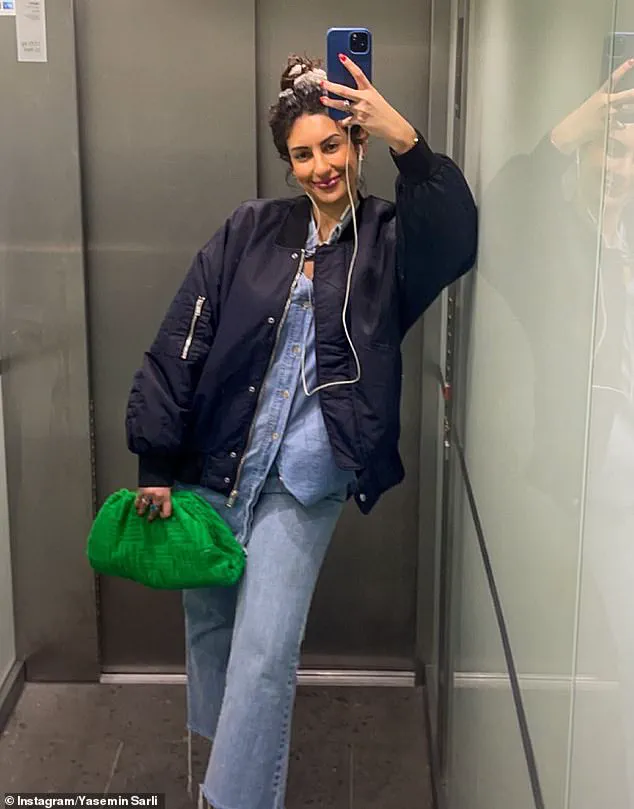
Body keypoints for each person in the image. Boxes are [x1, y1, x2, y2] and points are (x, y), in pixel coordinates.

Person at [125, 52, 477, 809]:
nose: (322, 167)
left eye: (333, 146)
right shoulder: (250, 229)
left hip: (304, 476)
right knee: (212, 629)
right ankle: (228, 770)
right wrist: (156, 459)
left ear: (355, 143)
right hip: (214, 464)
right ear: (288, 163)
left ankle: (231, 799)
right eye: (304, 154)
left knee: (264, 649)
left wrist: (407, 141)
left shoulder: (387, 240)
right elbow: (183, 338)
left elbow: (458, 239)